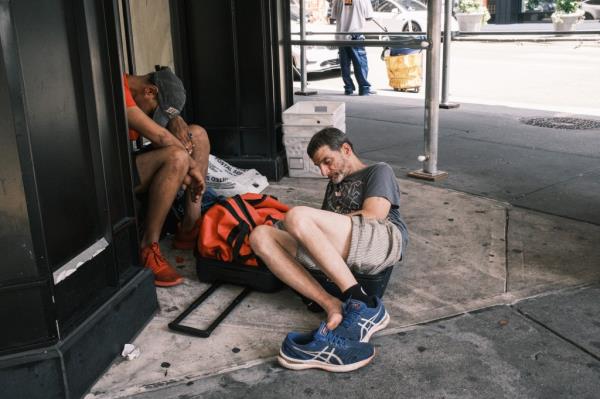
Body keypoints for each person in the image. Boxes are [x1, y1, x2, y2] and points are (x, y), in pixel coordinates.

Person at [250, 127, 408, 372]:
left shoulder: (378, 171)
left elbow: (374, 215)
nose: (324, 171)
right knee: (260, 236)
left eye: (327, 161)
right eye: (319, 166)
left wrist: (306, 223)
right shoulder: (333, 186)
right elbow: (323, 239)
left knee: (297, 216)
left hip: (381, 241)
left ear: (346, 149)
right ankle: (332, 304)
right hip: (347, 253)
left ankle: (361, 301)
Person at [123, 66, 210, 287]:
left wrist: (174, 117)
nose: (155, 119)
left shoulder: (144, 92)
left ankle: (190, 227)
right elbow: (160, 136)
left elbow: (164, 77)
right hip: (109, 172)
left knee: (197, 134)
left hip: (132, 163)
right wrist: (193, 170)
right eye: (154, 114)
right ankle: (148, 247)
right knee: (178, 157)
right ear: (149, 92)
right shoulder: (117, 88)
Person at [330, 0, 376, 96]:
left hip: (341, 36)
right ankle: (364, 89)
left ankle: (348, 88)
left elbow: (333, 17)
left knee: (345, 64)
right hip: (356, 35)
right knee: (360, 64)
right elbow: (369, 17)